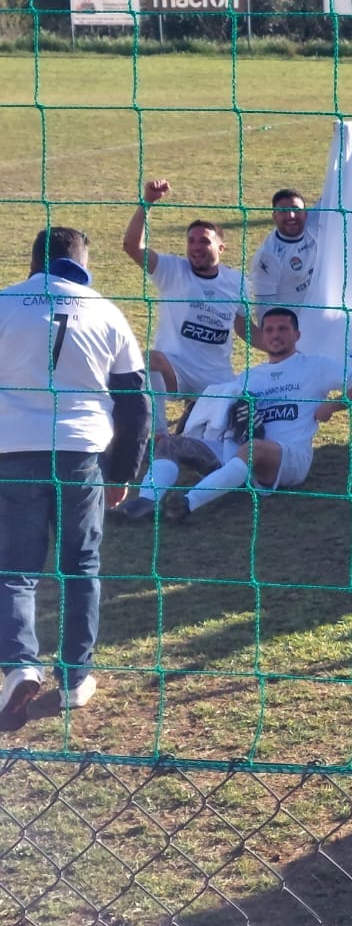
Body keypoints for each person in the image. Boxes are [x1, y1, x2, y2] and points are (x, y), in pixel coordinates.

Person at [0, 227, 151, 728]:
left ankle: (20, 665)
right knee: (80, 566)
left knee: (14, 568)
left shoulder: (5, 303)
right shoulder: (105, 310)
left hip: (12, 449)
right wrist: (123, 473)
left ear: (33, 262)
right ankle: (75, 677)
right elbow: (135, 402)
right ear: (83, 263)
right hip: (81, 453)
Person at [121, 307, 352, 523]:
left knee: (254, 448)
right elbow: (226, 411)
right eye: (269, 330)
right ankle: (146, 502)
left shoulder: (316, 366)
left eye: (283, 329)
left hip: (288, 459)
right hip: (238, 454)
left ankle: (186, 504)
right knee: (170, 444)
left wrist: (332, 406)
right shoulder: (249, 376)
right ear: (263, 336)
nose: (276, 335)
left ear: (297, 334)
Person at [122, 179, 250, 433]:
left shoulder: (237, 282)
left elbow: (244, 328)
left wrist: (283, 346)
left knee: (224, 431)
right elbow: (132, 247)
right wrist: (147, 202)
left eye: (204, 241)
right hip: (176, 370)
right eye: (191, 241)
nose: (196, 247)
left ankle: (191, 418)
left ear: (221, 248)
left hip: (215, 376)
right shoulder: (172, 270)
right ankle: (159, 437)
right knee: (149, 360)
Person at [247, 188, 318, 322]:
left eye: (296, 209)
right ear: (274, 216)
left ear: (306, 213)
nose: (291, 215)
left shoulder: (313, 224)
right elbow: (264, 308)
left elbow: (335, 194)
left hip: (321, 317)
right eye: (283, 211)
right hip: (293, 326)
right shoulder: (268, 257)